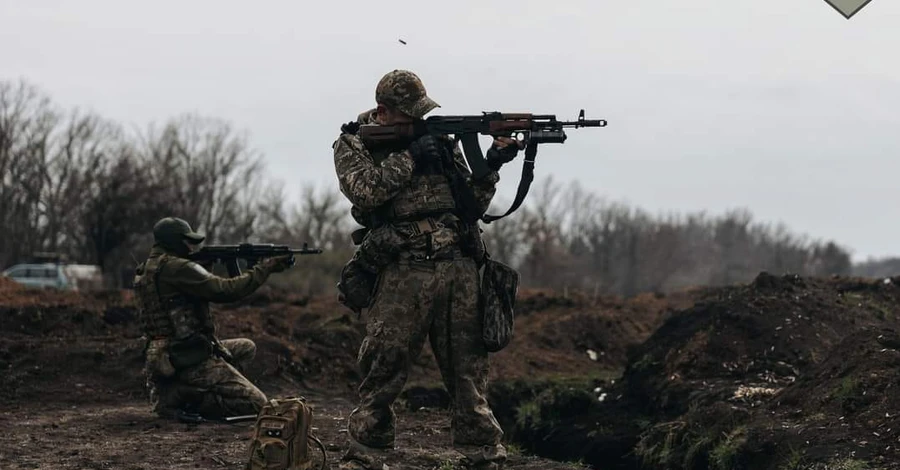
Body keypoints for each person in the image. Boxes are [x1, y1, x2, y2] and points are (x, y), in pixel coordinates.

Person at [332, 70, 521, 470]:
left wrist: (491, 164)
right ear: (383, 112)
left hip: (458, 266)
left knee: (468, 367)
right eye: (408, 116)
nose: (418, 123)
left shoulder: (437, 143)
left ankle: (482, 450)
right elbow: (367, 190)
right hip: (403, 269)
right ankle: (368, 448)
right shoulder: (353, 144)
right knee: (385, 362)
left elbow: (471, 204)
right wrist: (410, 156)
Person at [133, 216, 293, 420]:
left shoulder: (148, 268)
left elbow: (184, 298)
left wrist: (204, 270)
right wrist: (265, 268)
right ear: (174, 242)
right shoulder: (178, 268)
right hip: (189, 357)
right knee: (257, 404)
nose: (191, 247)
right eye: (186, 241)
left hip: (167, 354)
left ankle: (198, 386)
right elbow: (227, 291)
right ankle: (183, 394)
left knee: (246, 348)